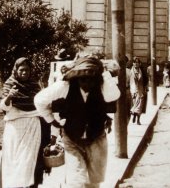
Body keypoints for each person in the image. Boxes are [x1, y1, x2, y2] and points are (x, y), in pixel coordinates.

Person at [34, 55, 120, 188]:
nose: (87, 83)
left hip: (96, 137)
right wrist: (52, 121)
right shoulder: (66, 86)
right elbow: (39, 100)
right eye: (83, 79)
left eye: (91, 79)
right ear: (76, 77)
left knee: (95, 180)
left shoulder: (101, 86)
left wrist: (104, 72)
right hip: (72, 139)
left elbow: (114, 95)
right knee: (76, 180)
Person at [0, 57, 49, 188]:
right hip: (14, 127)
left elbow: (42, 104)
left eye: (27, 70)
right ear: (16, 70)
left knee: (30, 161)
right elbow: (4, 107)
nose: (24, 73)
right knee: (13, 160)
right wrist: (10, 96)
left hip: (33, 126)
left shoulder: (35, 85)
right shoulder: (10, 84)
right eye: (21, 70)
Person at [128, 57, 146, 125]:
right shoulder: (130, 72)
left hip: (141, 90)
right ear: (133, 63)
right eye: (134, 62)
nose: (136, 64)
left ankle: (138, 120)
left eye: (137, 62)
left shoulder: (142, 71)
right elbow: (129, 82)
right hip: (133, 90)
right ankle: (134, 115)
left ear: (139, 64)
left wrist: (145, 87)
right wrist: (133, 91)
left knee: (140, 105)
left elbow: (145, 80)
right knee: (135, 104)